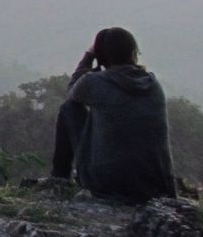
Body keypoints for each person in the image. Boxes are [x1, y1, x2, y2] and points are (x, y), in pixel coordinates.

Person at [51, 27, 177, 204]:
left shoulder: (93, 82)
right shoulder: (153, 84)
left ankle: (59, 178)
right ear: (133, 52)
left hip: (108, 184)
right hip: (155, 186)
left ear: (101, 56)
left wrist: (89, 56)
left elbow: (72, 92)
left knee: (68, 109)